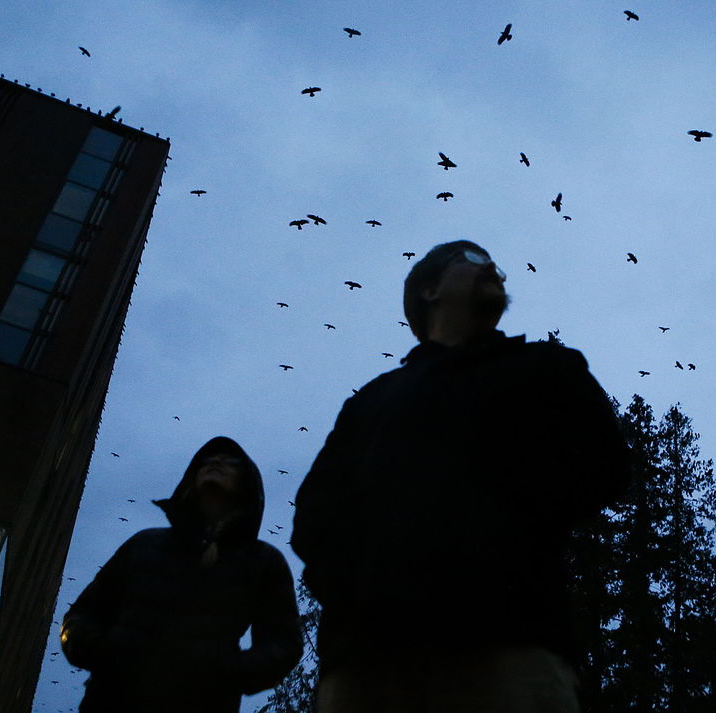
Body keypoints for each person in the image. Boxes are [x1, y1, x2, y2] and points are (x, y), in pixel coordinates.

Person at [292, 240, 631, 712]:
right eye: (472, 258)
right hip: (368, 663)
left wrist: (506, 544)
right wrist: (357, 596)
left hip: (511, 645)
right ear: (429, 289)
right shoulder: (371, 402)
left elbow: (607, 466)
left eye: (495, 263)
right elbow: (315, 518)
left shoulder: (548, 369)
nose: (493, 266)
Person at [61, 436, 302, 713]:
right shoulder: (144, 544)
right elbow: (81, 615)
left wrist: (226, 672)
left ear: (246, 480)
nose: (215, 463)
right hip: (112, 701)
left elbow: (284, 643)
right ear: (192, 476)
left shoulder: (263, 561)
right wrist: (105, 651)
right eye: (207, 460)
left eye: (230, 461)